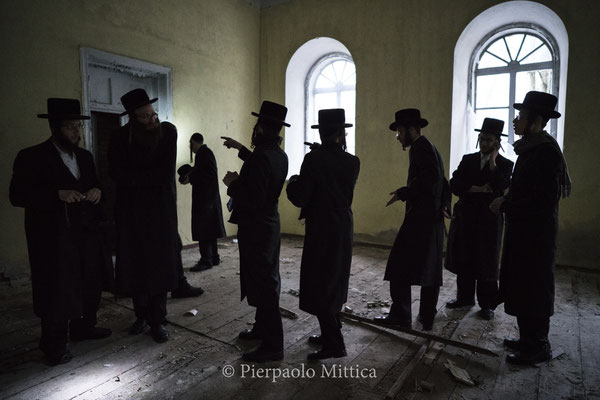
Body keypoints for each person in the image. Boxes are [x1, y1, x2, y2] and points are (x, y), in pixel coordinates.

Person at [9, 98, 112, 366]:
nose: (77, 132)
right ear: (54, 127)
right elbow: (17, 195)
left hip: (86, 233)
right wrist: (57, 194)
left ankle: (84, 328)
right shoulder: (31, 156)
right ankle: (53, 344)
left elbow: (97, 184)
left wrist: (98, 190)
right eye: (69, 127)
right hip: (52, 238)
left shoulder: (85, 157)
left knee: (89, 281)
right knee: (56, 289)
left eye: (78, 126)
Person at [490, 91, 571, 365]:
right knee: (523, 287)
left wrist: (506, 205)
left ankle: (538, 346)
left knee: (534, 289)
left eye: (520, 116)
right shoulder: (530, 147)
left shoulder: (545, 152)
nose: (515, 121)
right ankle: (527, 340)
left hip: (536, 237)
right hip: (525, 233)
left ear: (535, 120)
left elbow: (543, 201)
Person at [286, 109, 360, 360]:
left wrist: (293, 181)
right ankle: (331, 332)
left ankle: (334, 344)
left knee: (319, 283)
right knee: (335, 279)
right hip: (342, 225)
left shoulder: (313, 160)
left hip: (321, 227)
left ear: (321, 132)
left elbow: (301, 197)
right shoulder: (353, 161)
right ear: (341, 132)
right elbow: (335, 174)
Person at [108, 88, 180, 343]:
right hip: (132, 214)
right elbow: (115, 173)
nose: (152, 120)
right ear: (131, 117)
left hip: (160, 213)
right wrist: (137, 180)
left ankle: (158, 320)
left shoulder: (167, 132)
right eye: (144, 117)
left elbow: (162, 174)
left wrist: (135, 180)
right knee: (136, 267)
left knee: (160, 268)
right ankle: (141, 315)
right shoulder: (119, 138)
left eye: (153, 114)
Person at [221, 100, 289, 362]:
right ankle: (262, 329)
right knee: (265, 279)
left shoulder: (261, 156)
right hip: (269, 225)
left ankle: (274, 346)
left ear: (260, 126)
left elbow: (254, 197)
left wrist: (233, 184)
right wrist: (240, 149)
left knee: (264, 283)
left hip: (257, 227)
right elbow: (262, 170)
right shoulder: (278, 154)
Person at [375, 108, 451, 331]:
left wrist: (404, 192)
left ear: (411, 129)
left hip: (421, 219)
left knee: (398, 267)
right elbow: (443, 182)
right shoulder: (429, 147)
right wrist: (445, 205)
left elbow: (432, 178)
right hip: (431, 218)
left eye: (399, 131)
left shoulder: (420, 148)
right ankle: (426, 317)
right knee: (430, 269)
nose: (398, 136)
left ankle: (401, 315)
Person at [445, 118, 514, 320]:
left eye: (489, 140)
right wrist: (478, 188)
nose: (484, 143)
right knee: (465, 257)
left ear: (497, 142)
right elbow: (455, 184)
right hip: (466, 217)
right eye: (482, 139)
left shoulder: (505, 165)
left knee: (487, 261)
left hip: (488, 220)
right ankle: (464, 298)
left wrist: (492, 164)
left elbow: (500, 187)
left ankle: (487, 304)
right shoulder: (468, 160)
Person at [178, 133, 225, 272]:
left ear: (194, 142)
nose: (190, 147)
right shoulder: (205, 153)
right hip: (208, 198)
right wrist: (191, 175)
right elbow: (204, 172)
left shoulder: (204, 153)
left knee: (204, 229)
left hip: (206, 199)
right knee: (210, 230)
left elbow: (208, 174)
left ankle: (206, 260)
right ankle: (214, 257)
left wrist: (191, 177)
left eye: (190, 144)